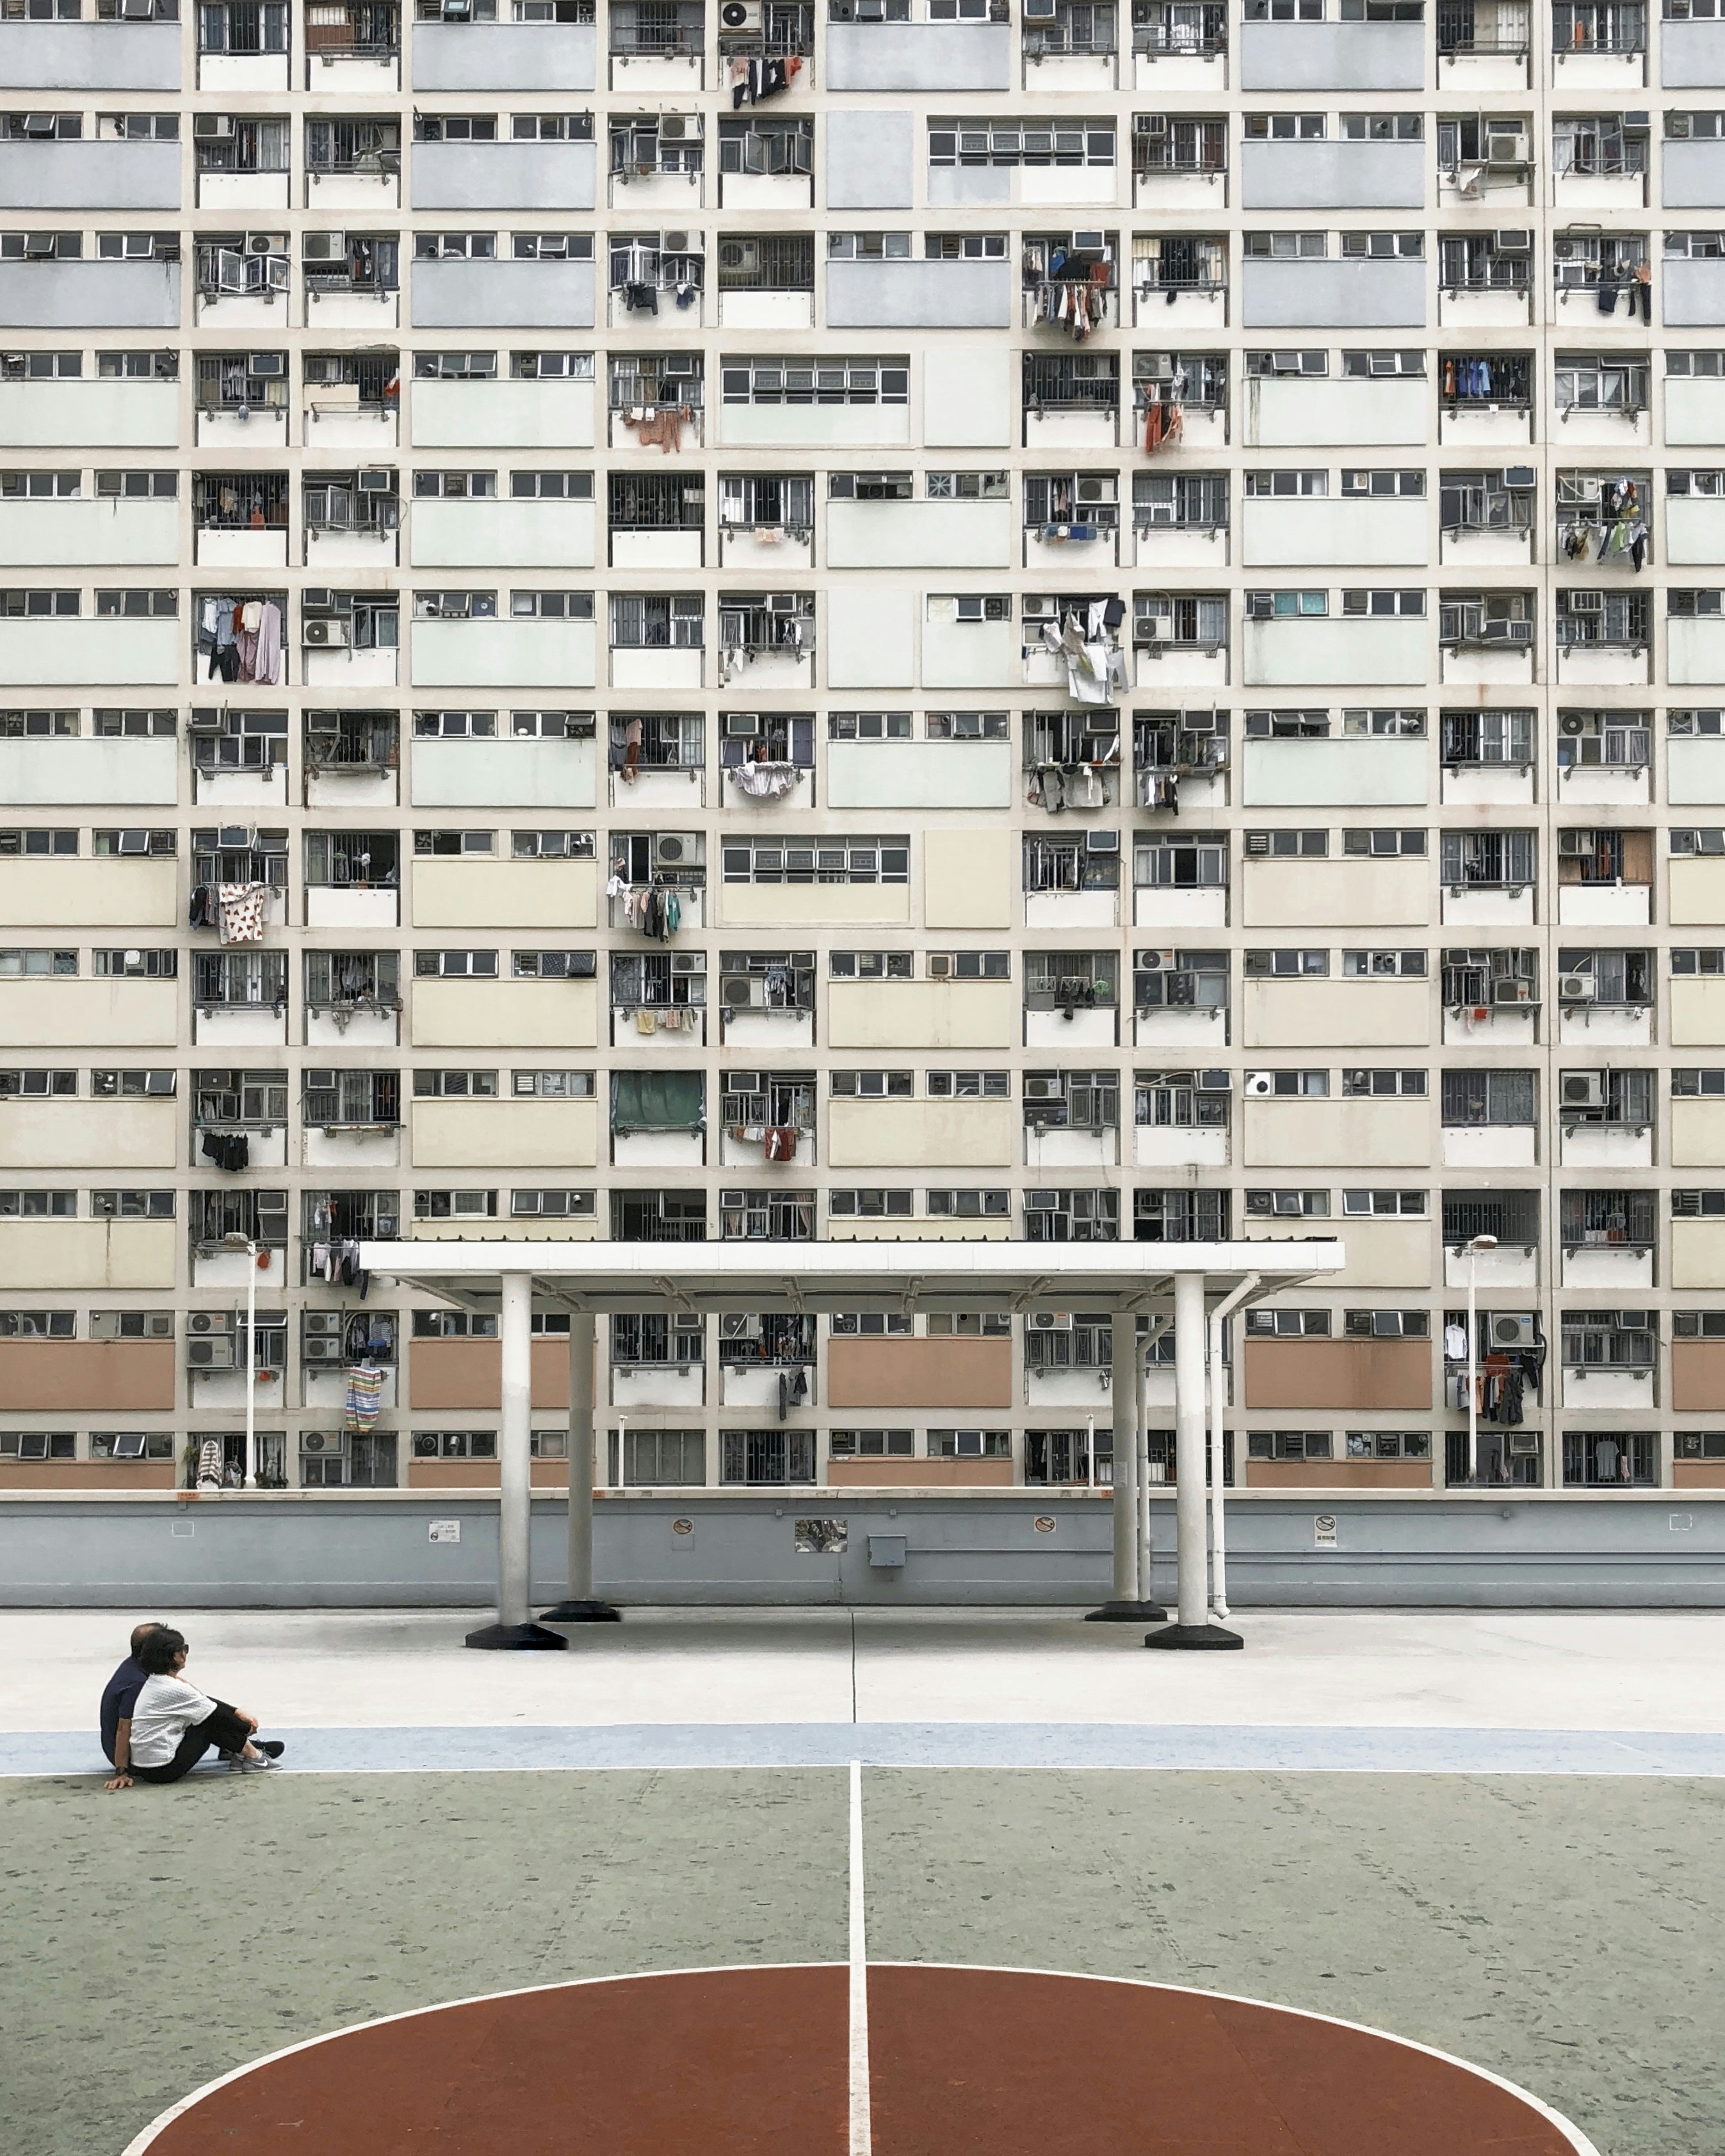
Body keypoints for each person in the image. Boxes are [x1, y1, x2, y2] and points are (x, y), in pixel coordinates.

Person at [105, 1629, 285, 1790]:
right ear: (175, 1656)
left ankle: (241, 1753)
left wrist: (237, 1713)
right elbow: (215, 1713)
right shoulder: (167, 1687)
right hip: (162, 1770)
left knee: (204, 1715)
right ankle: (254, 1757)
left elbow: (202, 1701)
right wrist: (245, 1728)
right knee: (207, 1722)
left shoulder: (154, 1681)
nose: (186, 1652)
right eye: (184, 1649)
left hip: (147, 1767)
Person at [99, 1621, 163, 1774]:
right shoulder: (137, 1684)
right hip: (130, 1759)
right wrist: (122, 1770)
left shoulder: (135, 1665)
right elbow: (124, 1727)